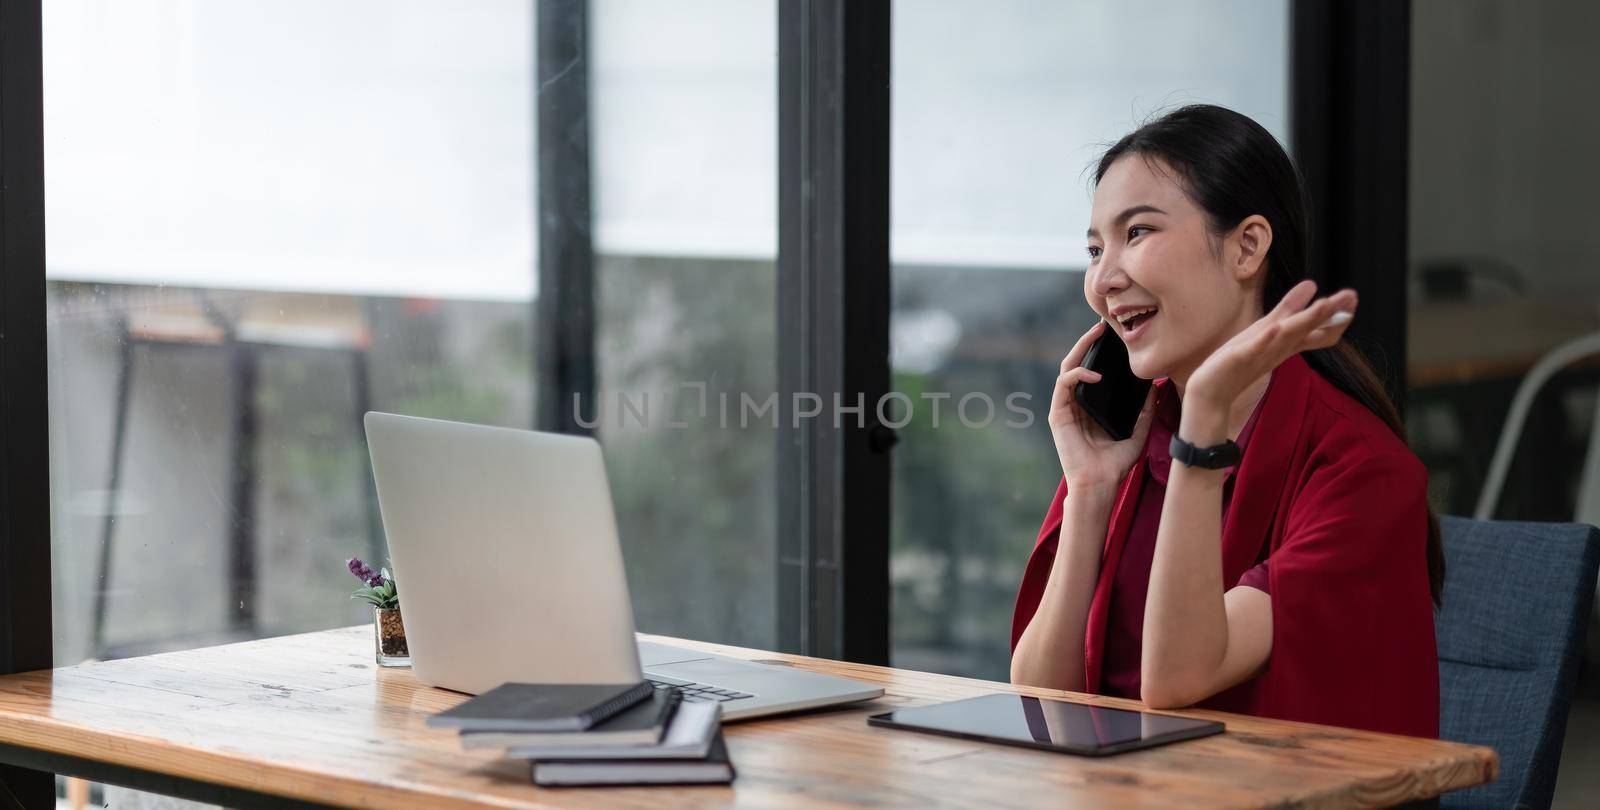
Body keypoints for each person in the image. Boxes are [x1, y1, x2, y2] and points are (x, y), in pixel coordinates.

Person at [1008, 104, 1443, 738]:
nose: (1104, 280)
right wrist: (1091, 494)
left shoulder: (1362, 470)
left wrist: (1201, 436)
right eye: (1095, 248)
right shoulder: (1135, 438)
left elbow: (1177, 679)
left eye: (1138, 233)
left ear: (1247, 248)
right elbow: (1041, 696)